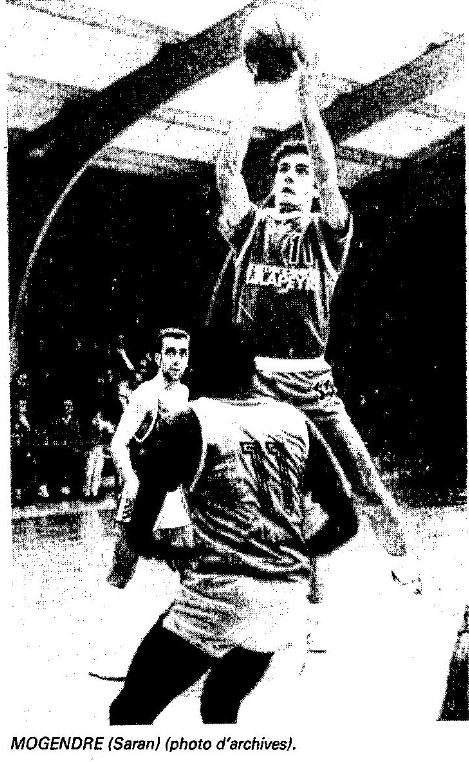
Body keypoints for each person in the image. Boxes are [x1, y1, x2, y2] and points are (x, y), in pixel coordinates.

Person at [209, 19, 417, 584]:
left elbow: (329, 172)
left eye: (300, 172)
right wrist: (256, 91)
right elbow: (227, 169)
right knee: (251, 491)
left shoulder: (327, 233)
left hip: (314, 381)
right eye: (283, 169)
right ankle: (291, 579)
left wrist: (305, 97)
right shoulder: (250, 227)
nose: (292, 177)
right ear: (272, 182)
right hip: (254, 385)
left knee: (362, 481)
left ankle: (408, 567)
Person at [109, 328, 359, 725]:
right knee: (221, 705)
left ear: (200, 368)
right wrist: (292, 553)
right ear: (254, 370)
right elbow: (347, 521)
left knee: (129, 711)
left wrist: (176, 551)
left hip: (220, 596)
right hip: (284, 604)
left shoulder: (191, 421)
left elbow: (138, 533)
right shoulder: (295, 421)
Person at [108, 327, 191, 586]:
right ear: (158, 358)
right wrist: (131, 482)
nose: (177, 359)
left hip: (173, 493)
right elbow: (118, 443)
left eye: (183, 353)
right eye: (171, 352)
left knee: (189, 571)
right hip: (143, 491)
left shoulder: (185, 393)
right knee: (121, 573)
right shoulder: (144, 394)